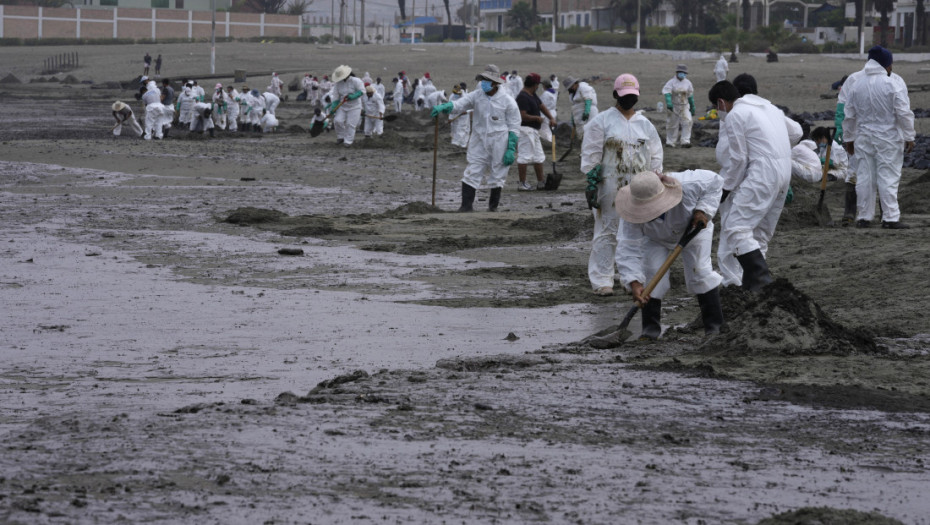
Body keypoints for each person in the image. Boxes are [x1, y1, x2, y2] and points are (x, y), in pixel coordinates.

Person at [588, 170, 724, 348]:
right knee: (651, 273)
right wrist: (634, 281)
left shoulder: (690, 184)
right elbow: (628, 246)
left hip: (693, 230)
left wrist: (703, 210)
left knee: (699, 271)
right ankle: (650, 330)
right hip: (654, 238)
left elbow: (716, 182)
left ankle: (714, 327)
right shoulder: (630, 213)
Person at [580, 73, 663, 296]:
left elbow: (655, 157)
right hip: (609, 186)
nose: (629, 99)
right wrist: (592, 179)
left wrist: (654, 181)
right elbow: (591, 155)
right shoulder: (602, 121)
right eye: (625, 95)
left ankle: (632, 280)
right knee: (607, 231)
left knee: (637, 234)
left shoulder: (645, 125)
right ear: (616, 94)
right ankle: (602, 280)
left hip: (639, 188)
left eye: (632, 96)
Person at [709, 79, 793, 292]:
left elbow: (738, 159)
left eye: (716, 108)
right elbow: (797, 132)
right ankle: (753, 290)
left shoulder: (735, 114)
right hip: (785, 172)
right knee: (760, 236)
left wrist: (725, 190)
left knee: (736, 228)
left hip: (762, 173)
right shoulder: (772, 109)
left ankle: (762, 283)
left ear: (721, 103)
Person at [842, 46, 915, 229]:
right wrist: (909, 136)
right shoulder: (893, 84)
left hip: (863, 136)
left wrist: (849, 139)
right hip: (888, 137)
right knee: (888, 177)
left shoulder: (856, 84)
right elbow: (903, 113)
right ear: (886, 64)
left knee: (865, 177)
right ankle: (890, 218)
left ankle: (864, 217)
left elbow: (849, 115)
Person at [431, 64, 521, 212]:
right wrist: (445, 107)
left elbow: (514, 125)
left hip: (500, 140)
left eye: (487, 80)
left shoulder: (508, 101)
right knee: (472, 170)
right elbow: (460, 104)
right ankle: (466, 206)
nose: (483, 82)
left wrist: (511, 147)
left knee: (498, 172)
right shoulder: (476, 95)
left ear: (495, 82)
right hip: (479, 138)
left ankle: (493, 208)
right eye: (483, 79)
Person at [515, 73, 556, 191]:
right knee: (524, 156)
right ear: (535, 84)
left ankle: (541, 182)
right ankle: (522, 183)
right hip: (525, 130)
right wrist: (536, 118)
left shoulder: (532, 95)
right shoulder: (522, 97)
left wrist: (551, 118)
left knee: (538, 156)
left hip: (534, 130)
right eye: (538, 84)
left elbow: (542, 106)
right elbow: (522, 116)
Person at [810, 126, 853, 223]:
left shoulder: (835, 147)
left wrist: (822, 161)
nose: (817, 143)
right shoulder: (824, 146)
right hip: (826, 169)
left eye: (817, 140)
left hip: (839, 170)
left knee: (828, 176)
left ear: (823, 138)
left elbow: (834, 163)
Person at [327, 65, 366, 146]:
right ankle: (340, 137)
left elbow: (362, 91)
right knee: (337, 120)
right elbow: (336, 96)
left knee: (350, 124)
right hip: (343, 105)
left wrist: (353, 96)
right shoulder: (338, 84)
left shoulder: (356, 81)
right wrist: (333, 107)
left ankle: (348, 141)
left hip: (355, 106)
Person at [662, 64, 695, 148]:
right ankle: (670, 142)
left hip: (684, 106)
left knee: (687, 122)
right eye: (680, 72)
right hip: (674, 106)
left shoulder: (688, 83)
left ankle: (685, 141)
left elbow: (690, 95)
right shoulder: (671, 82)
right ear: (677, 72)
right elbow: (667, 92)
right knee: (672, 124)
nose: (682, 74)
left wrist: (692, 106)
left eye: (684, 73)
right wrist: (669, 102)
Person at [539, 79, 558, 144]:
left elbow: (543, 105)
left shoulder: (546, 94)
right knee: (549, 129)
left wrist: (541, 116)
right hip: (552, 112)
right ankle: (552, 142)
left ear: (544, 86)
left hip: (547, 113)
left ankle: (549, 143)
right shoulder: (553, 93)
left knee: (545, 130)